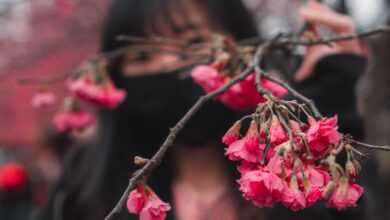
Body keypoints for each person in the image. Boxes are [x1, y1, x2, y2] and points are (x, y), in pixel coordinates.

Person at [37, 0, 378, 219]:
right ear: (117, 81)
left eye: (196, 43)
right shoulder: (82, 185)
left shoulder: (294, 168)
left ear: (242, 49)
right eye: (142, 56)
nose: (170, 65)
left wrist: (331, 104)